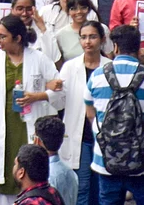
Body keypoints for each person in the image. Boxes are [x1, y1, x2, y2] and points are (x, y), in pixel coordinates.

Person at [84, 24, 144, 205]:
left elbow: (90, 112)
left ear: (115, 47)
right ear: (138, 48)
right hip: (143, 159)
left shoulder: (97, 76)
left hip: (106, 160)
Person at [0, 15, 59, 205]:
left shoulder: (38, 58)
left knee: (30, 172)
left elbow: (59, 90)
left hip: (28, 127)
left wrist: (37, 96)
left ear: (17, 38)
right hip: (1, 128)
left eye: (3, 36)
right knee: (4, 175)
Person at [48, 21, 109, 205]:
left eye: (92, 36)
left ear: (102, 39)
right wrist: (54, 89)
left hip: (104, 136)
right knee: (81, 188)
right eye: (83, 37)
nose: (87, 42)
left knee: (102, 189)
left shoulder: (110, 67)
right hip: (79, 135)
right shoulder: (70, 67)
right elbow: (59, 102)